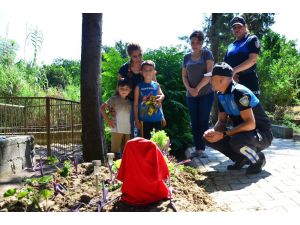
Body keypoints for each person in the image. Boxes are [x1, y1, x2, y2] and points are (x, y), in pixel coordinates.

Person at [203, 62, 273, 175]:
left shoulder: (240, 93)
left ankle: (258, 159)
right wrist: (213, 131)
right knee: (207, 138)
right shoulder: (221, 95)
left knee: (237, 140)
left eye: (212, 78)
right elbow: (221, 121)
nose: (210, 81)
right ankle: (240, 159)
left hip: (262, 135)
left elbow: (250, 124)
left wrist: (224, 134)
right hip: (244, 134)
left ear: (221, 80)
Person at [117, 43, 166, 137]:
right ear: (130, 56)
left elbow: (156, 89)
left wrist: (162, 111)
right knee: (133, 128)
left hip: (148, 104)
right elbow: (118, 87)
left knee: (148, 130)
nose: (138, 58)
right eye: (135, 56)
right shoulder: (124, 68)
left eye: (140, 55)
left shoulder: (146, 66)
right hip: (130, 103)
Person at [182, 31, 214, 158]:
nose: (195, 45)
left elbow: (209, 73)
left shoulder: (207, 54)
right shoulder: (186, 57)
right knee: (194, 122)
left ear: (201, 43)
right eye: (192, 42)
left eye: (197, 42)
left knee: (203, 120)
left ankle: (202, 148)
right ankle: (197, 148)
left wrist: (197, 88)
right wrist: (190, 89)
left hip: (206, 94)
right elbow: (184, 76)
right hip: (191, 96)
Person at [224, 16, 261, 98]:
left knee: (252, 110)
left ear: (245, 27)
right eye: (234, 27)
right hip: (234, 84)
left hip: (249, 83)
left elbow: (253, 60)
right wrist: (231, 75)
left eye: (239, 26)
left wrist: (234, 71)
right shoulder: (230, 46)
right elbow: (226, 65)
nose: (236, 29)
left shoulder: (251, 39)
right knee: (235, 110)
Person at [100, 78, 132, 159]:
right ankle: (111, 170)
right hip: (116, 128)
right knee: (113, 152)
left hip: (128, 130)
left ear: (130, 90)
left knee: (126, 151)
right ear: (118, 88)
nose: (124, 90)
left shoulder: (130, 102)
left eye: (126, 89)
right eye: (122, 88)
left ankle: (123, 169)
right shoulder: (113, 99)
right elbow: (102, 108)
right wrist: (108, 121)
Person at [134, 60, 165, 140]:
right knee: (146, 142)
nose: (148, 72)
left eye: (150, 70)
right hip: (144, 120)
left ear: (154, 72)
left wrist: (163, 117)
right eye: (145, 70)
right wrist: (136, 120)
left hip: (158, 118)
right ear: (141, 72)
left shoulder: (157, 85)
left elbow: (161, 97)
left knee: (158, 142)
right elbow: (136, 104)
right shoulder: (138, 86)